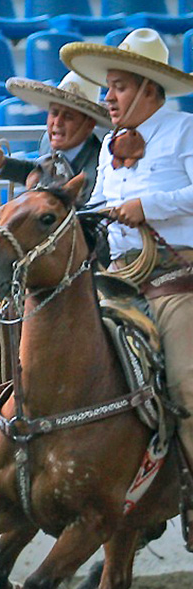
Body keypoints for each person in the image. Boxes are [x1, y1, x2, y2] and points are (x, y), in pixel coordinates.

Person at [62, 28, 193, 548]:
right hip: (117, 278)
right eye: (108, 87)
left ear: (148, 89)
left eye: (116, 87)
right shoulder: (107, 150)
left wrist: (148, 207)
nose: (106, 98)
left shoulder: (185, 131)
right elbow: (95, 206)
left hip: (173, 280)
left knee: (186, 385)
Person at [0, 71, 110, 204]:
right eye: (54, 113)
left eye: (68, 117)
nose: (57, 122)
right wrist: (1, 163)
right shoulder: (47, 141)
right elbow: (39, 170)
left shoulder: (99, 167)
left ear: (89, 125)